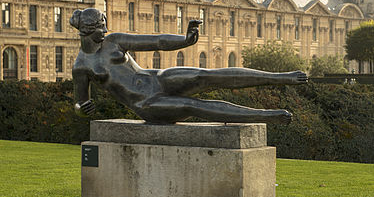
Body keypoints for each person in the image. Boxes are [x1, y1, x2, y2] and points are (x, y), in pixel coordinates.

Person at [70, 8, 307, 124]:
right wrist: (83, 108)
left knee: (206, 76)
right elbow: (80, 102)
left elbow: (157, 41)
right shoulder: (81, 66)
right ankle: (268, 116)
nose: (105, 30)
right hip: (146, 103)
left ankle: (282, 77)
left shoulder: (113, 41)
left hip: (157, 79)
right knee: (193, 105)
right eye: (101, 27)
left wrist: (185, 40)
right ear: (86, 31)